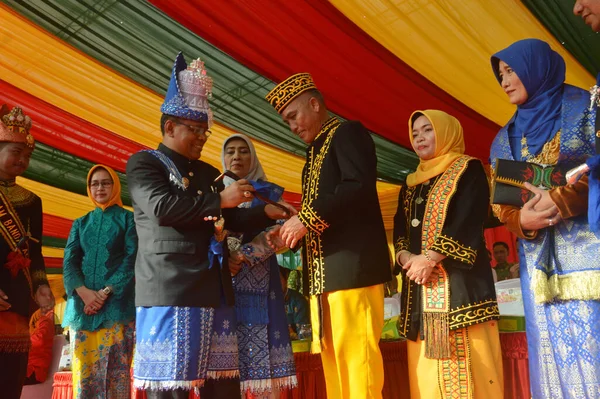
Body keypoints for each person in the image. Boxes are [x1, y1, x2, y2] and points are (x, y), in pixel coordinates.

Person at [128, 53, 288, 399]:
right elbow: (161, 208)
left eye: (205, 130)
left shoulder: (204, 173)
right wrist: (221, 200)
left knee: (223, 387)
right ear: (170, 127)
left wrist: (267, 214)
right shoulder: (144, 164)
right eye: (195, 130)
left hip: (214, 290)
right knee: (172, 388)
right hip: (170, 289)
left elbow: (227, 219)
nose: (202, 137)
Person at [265, 73, 391, 399]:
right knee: (335, 362)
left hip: (353, 269)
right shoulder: (314, 152)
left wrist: (306, 218)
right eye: (286, 122)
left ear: (314, 104)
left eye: (293, 116)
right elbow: (330, 208)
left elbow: (357, 187)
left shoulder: (347, 133)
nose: (292, 127)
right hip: (326, 277)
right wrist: (294, 228)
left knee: (358, 362)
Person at [490, 38, 600, 398]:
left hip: (591, 254)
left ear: (535, 67)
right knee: (551, 357)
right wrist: (521, 221)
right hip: (537, 267)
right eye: (501, 74)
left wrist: (560, 201)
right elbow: (500, 203)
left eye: (512, 70)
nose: (505, 80)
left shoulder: (587, 109)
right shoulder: (503, 140)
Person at [393, 110, 503, 398]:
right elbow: (400, 229)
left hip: (459, 289)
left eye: (427, 130)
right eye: (415, 133)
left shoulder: (468, 169)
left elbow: (467, 219)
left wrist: (430, 258)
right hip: (420, 289)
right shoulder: (411, 183)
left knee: (469, 368)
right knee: (427, 377)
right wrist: (405, 257)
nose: (420, 138)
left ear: (445, 132)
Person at [218, 133, 297, 396]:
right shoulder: (215, 193)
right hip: (223, 285)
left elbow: (282, 232)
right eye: (231, 151)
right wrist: (223, 258)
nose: (237, 156)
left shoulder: (268, 193)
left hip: (263, 286)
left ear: (253, 156)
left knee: (267, 379)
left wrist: (241, 255)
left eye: (243, 151)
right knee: (227, 367)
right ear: (223, 157)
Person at [61, 164, 137, 398]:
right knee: (84, 377)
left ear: (115, 186)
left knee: (115, 374)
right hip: (83, 312)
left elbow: (131, 258)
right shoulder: (80, 223)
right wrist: (84, 292)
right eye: (95, 183)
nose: (100, 187)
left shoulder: (128, 220)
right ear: (89, 188)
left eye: (106, 182)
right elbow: (70, 262)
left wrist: (104, 292)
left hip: (115, 308)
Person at [0, 105, 54, 399]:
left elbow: (34, 251)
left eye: (27, 156)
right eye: (14, 152)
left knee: (10, 381)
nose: (22, 160)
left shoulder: (32, 201)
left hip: (18, 303)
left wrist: (42, 284)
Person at [24, 307, 55, 385]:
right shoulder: (33, 322)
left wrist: (18, 342)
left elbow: (39, 341)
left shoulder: (44, 321)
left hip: (34, 371)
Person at [279, 267, 310, 340]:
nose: (274, 285)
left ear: (286, 278)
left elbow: (304, 336)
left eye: (278, 280)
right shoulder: (266, 301)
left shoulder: (298, 301)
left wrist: (291, 334)